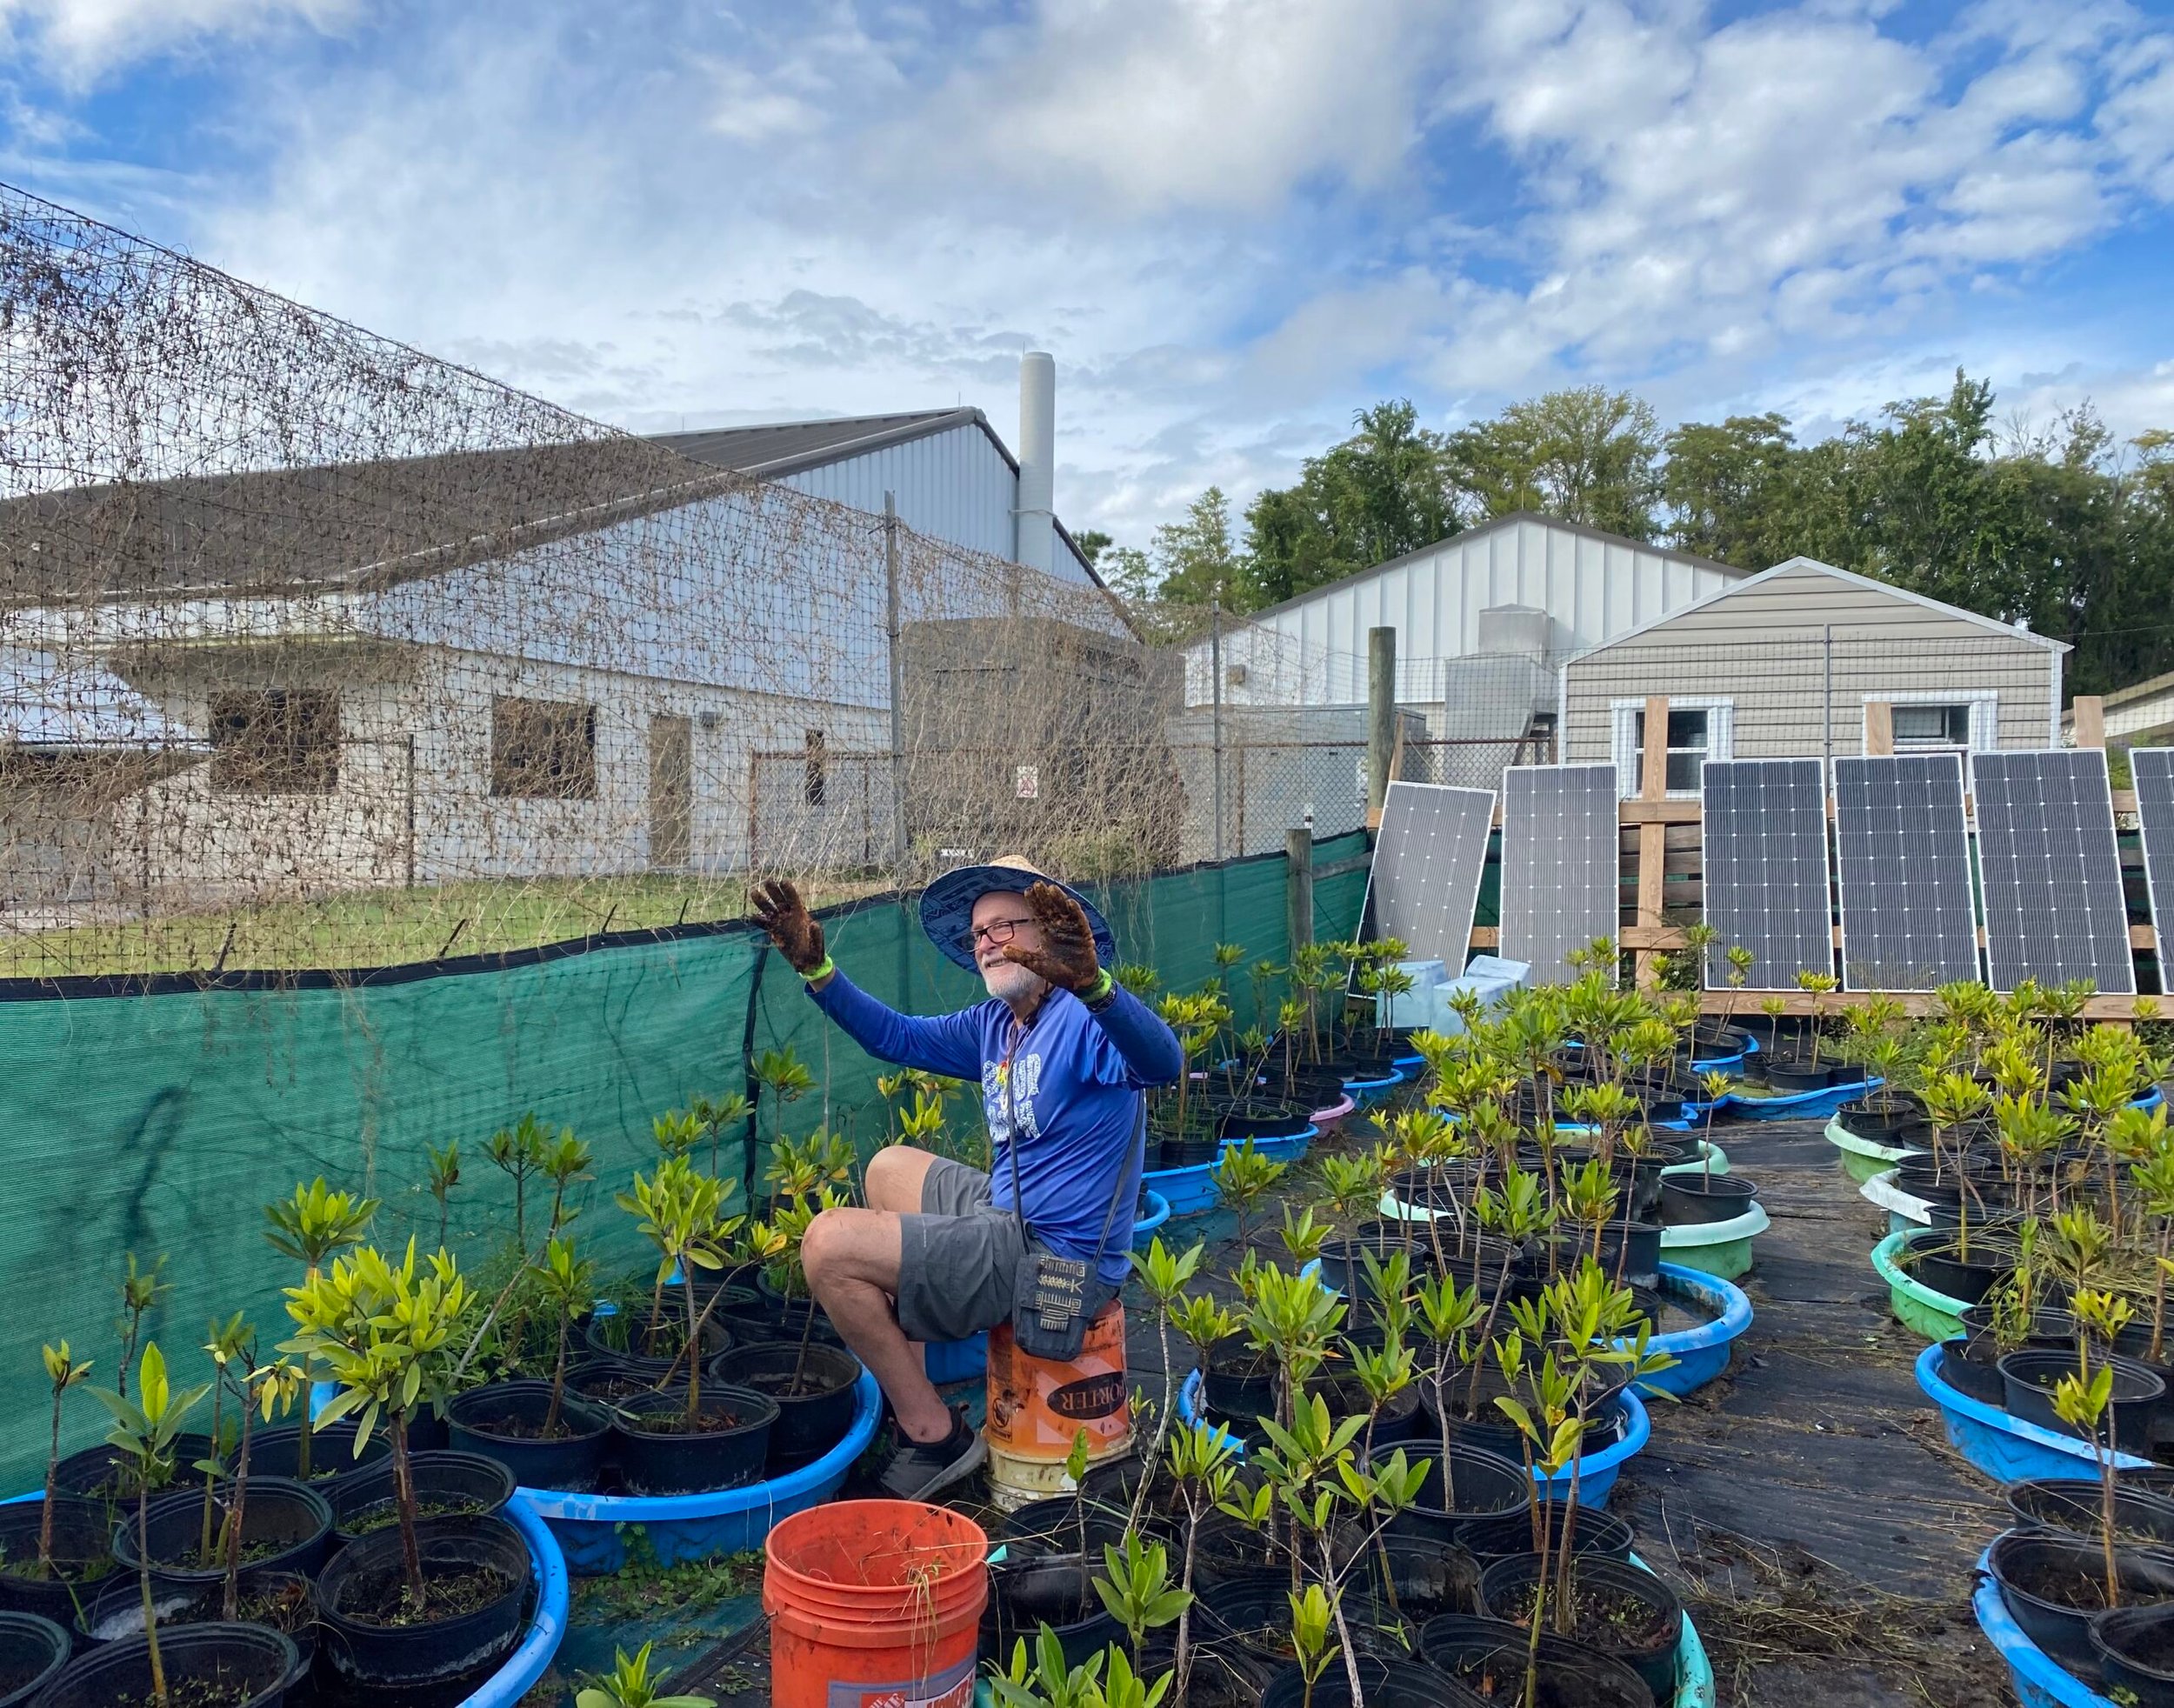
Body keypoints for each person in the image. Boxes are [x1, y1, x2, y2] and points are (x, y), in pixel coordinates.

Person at [750, 856, 1184, 1499]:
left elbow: (1162, 1062)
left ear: (1051, 934)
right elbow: (895, 1037)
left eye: (1004, 926)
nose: (986, 943)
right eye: (977, 934)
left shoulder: (1083, 1018)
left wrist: (1097, 988)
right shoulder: (995, 1026)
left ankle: (932, 1435)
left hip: (1056, 1259)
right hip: (1003, 1216)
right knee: (888, 1167)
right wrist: (819, 972)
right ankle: (914, 1390)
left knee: (828, 1246)